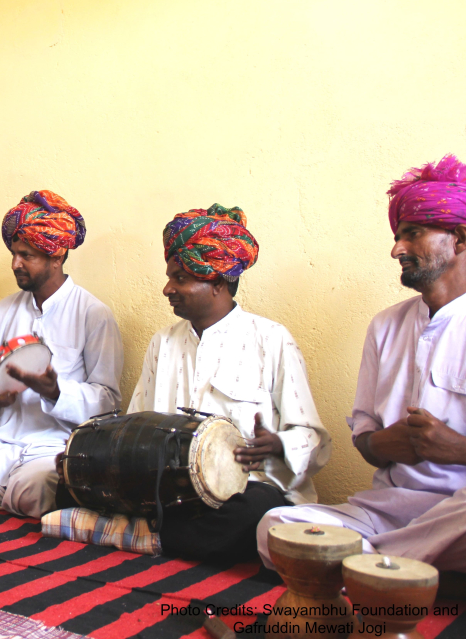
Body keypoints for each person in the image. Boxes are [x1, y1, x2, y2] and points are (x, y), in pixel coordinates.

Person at [258, 155, 466, 572]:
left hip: (457, 512)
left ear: (459, 237)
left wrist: (455, 447)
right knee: (276, 523)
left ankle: (365, 569)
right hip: (388, 510)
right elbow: (366, 439)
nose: (396, 249)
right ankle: (399, 571)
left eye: (413, 233)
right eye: (397, 235)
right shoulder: (386, 325)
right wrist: (381, 445)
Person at [127, 204, 330, 563]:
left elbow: (313, 437)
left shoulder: (271, 339)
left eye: (180, 278)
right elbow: (136, 423)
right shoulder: (163, 342)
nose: (167, 288)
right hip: (174, 493)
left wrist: (278, 445)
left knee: (257, 513)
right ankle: (162, 535)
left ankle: (145, 536)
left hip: (247, 492)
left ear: (217, 282)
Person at [0, 191, 123, 518]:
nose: (15, 264)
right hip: (1, 437)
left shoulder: (93, 314)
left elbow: (108, 401)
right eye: (14, 254)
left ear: (56, 256)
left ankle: (11, 506)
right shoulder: (4, 310)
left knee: (34, 490)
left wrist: (56, 392)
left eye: (26, 255)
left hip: (55, 442)